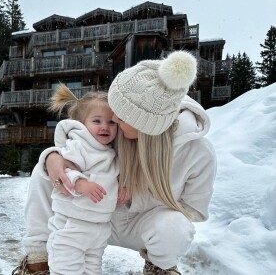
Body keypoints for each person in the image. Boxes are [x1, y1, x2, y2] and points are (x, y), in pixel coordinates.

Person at [14, 50, 217, 275]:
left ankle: (159, 267)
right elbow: (76, 142)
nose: (114, 120)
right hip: (95, 214)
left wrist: (139, 195)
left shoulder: (198, 153)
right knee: (47, 172)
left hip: (142, 227)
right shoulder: (118, 130)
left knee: (175, 227)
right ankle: (38, 261)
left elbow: (194, 211)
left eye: (120, 116)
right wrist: (52, 158)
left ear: (144, 124)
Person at [14, 85, 119, 275]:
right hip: (70, 227)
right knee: (66, 268)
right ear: (82, 124)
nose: (105, 126)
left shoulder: (111, 152)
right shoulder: (79, 145)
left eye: (111, 122)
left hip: (98, 229)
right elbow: (64, 171)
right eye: (97, 121)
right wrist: (80, 182)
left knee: (93, 270)